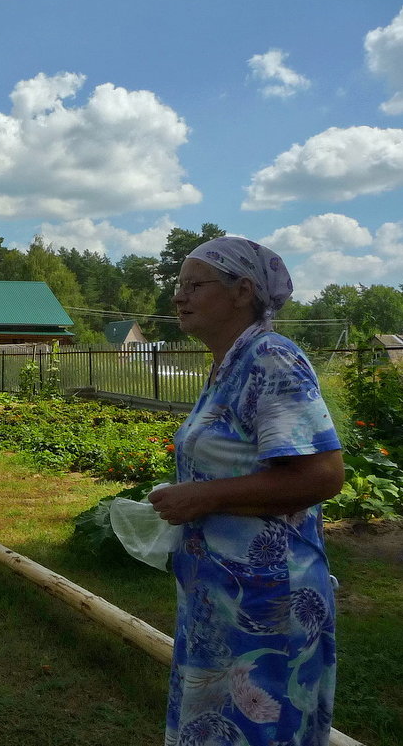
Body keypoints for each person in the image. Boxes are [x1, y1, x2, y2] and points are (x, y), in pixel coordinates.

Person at [148, 237, 344, 746]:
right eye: (178, 285)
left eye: (195, 285)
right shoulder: (229, 362)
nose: (179, 296)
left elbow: (322, 476)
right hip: (226, 596)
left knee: (259, 729)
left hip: (268, 602)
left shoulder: (271, 358)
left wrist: (204, 498)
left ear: (242, 292)